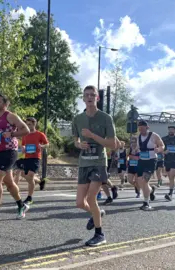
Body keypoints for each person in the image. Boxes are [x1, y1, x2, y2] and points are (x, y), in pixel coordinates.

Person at [72, 85, 117, 246]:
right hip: (84, 162)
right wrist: (79, 145)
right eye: (86, 95)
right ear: (83, 98)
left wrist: (92, 136)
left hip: (98, 161)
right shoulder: (78, 119)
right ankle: (97, 213)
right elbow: (75, 140)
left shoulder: (105, 118)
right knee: (79, 202)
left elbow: (112, 143)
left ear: (97, 98)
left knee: (91, 197)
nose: (89, 97)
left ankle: (100, 235)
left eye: (92, 95)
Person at [0, 94, 30, 224]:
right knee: (9, 183)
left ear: (5, 104)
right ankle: (21, 205)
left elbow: (26, 130)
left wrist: (12, 134)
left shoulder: (10, 116)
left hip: (9, 152)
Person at [20, 117, 49, 205]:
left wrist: (42, 146)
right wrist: (23, 148)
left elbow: (47, 144)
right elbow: (23, 145)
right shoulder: (25, 135)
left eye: (29, 124)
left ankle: (29, 198)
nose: (28, 126)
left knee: (31, 176)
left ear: (34, 124)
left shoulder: (40, 134)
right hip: (27, 157)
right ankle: (40, 181)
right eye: (26, 124)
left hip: (36, 157)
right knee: (23, 174)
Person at [136, 120, 163, 210]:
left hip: (151, 160)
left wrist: (158, 149)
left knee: (144, 181)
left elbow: (162, 145)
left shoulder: (154, 135)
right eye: (139, 129)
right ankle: (151, 190)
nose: (141, 131)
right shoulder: (138, 137)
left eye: (143, 129)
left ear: (147, 128)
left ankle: (146, 203)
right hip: (141, 160)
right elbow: (137, 148)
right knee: (140, 183)